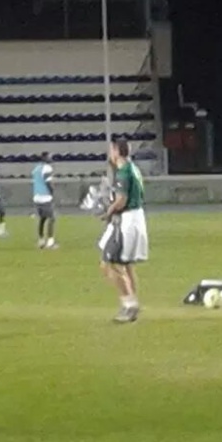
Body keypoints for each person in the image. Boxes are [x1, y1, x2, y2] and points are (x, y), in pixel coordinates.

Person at [98, 138, 149, 323]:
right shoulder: (133, 167)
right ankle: (133, 301)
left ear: (117, 151)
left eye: (112, 150)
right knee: (126, 264)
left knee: (108, 263)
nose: (110, 153)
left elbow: (121, 200)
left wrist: (107, 211)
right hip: (135, 217)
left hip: (126, 220)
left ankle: (129, 305)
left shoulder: (123, 171)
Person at [32, 152, 57, 249]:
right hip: (45, 196)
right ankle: (50, 242)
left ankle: (41, 240)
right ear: (45, 158)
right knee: (52, 218)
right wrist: (52, 191)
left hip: (36, 196)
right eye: (49, 157)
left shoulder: (36, 168)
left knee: (42, 219)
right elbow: (48, 182)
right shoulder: (47, 168)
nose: (51, 158)